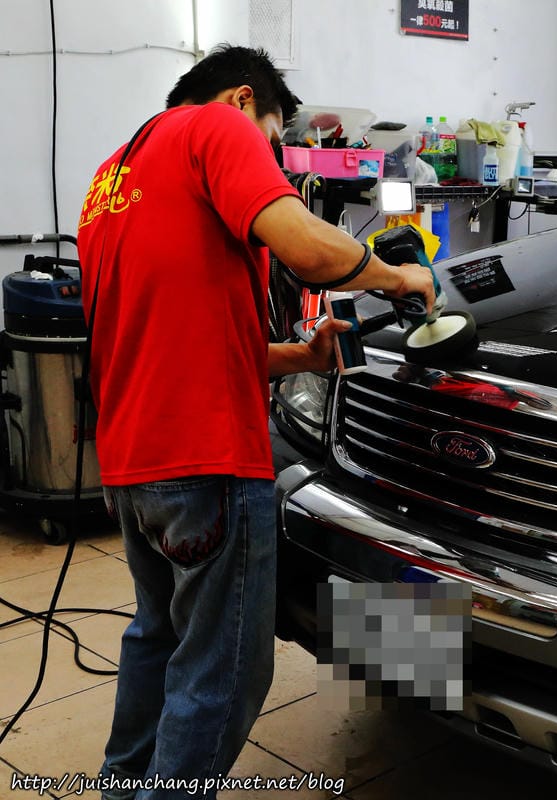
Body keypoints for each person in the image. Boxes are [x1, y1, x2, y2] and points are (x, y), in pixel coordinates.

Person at [76, 45, 432, 800]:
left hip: (133, 469)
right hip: (205, 459)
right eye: (274, 142)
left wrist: (300, 355)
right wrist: (398, 273)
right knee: (226, 671)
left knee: (159, 641)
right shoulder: (219, 126)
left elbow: (181, 341)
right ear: (244, 103)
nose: (269, 163)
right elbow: (307, 248)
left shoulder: (113, 177)